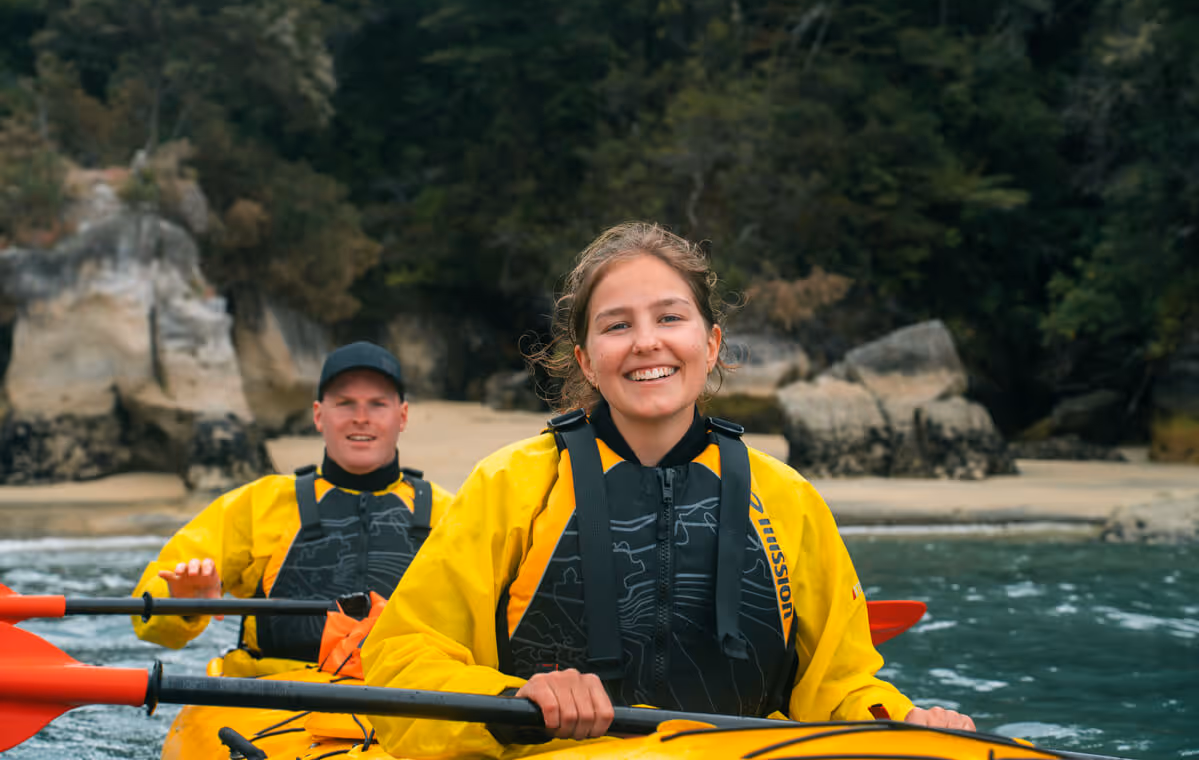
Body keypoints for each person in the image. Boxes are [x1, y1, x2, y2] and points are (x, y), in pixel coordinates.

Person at [360, 222, 975, 758]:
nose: (646, 341)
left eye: (670, 317)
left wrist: (903, 722)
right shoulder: (512, 485)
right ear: (587, 359)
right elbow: (402, 662)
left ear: (709, 345)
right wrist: (511, 698)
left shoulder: (787, 499)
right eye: (617, 325)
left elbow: (840, 684)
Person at [131, 340, 453, 676]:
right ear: (318, 415)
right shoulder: (260, 504)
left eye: (377, 404)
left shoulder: (448, 514)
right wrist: (180, 599)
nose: (361, 418)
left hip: (408, 695)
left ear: (401, 416)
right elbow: (152, 619)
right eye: (345, 403)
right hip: (276, 695)